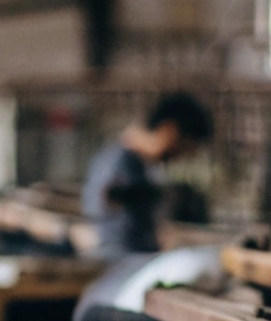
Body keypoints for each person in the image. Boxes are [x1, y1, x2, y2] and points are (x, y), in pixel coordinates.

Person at [80, 92, 214, 259]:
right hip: (117, 265)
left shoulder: (144, 167)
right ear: (169, 131)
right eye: (185, 147)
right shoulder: (121, 163)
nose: (181, 156)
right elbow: (110, 203)